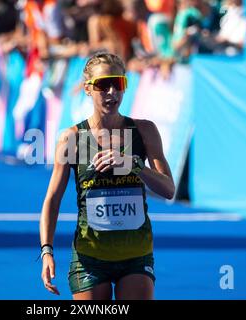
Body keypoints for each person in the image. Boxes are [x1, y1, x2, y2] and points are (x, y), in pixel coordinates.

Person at [39, 52, 175, 300]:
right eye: (103, 85)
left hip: (136, 255)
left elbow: (168, 190)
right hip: (90, 258)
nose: (112, 92)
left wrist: (133, 164)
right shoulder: (72, 138)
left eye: (118, 83)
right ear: (88, 88)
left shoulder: (144, 131)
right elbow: (52, 199)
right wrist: (46, 251)